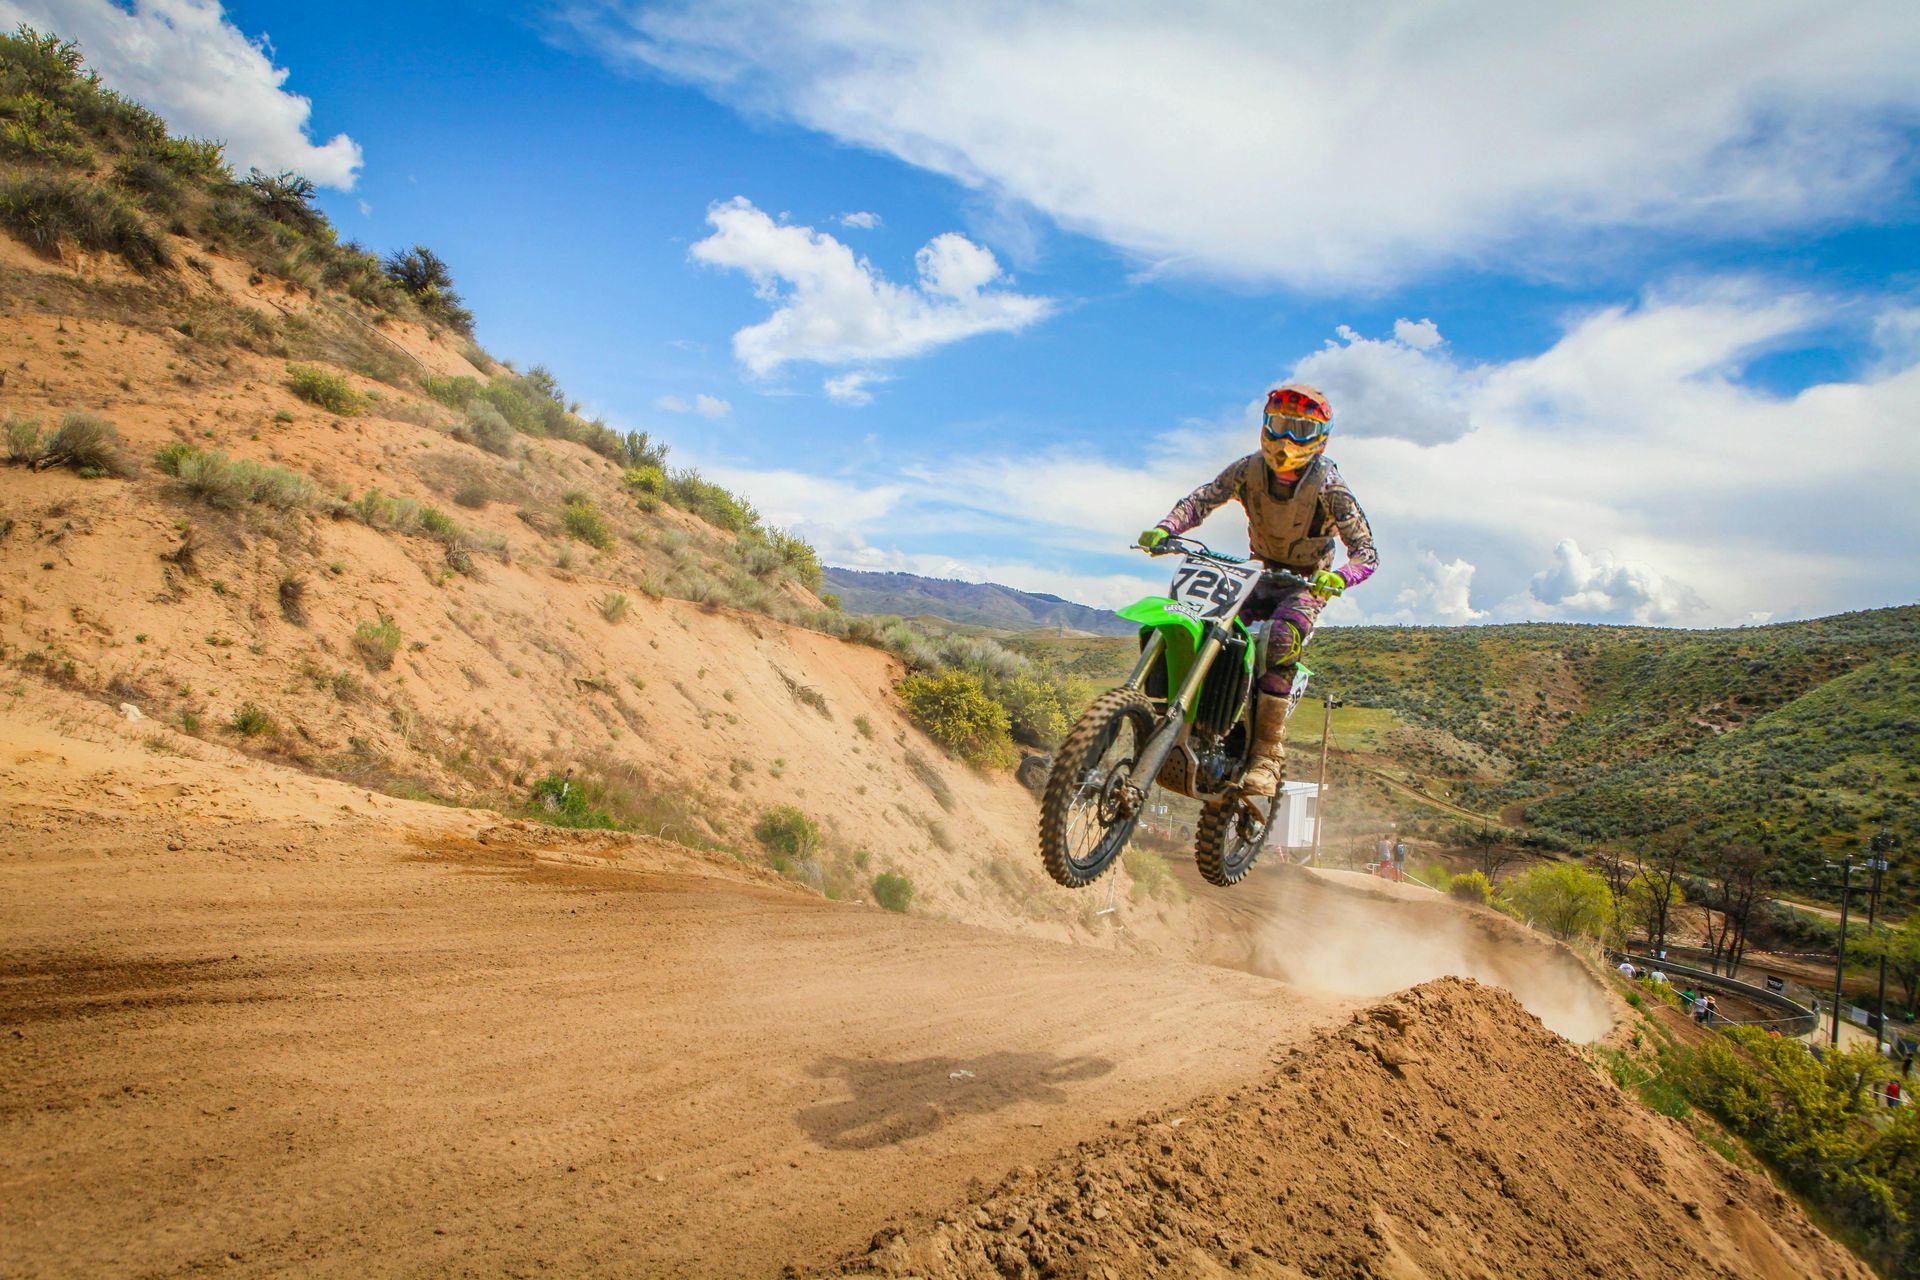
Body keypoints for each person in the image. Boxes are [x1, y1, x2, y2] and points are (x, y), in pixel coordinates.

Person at [1137, 383, 1377, 798]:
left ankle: (1267, 754)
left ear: (1319, 437)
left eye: (1299, 429)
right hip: (1258, 573)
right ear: (1265, 426)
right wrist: (1166, 528)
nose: (1286, 439)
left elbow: (1366, 553)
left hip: (1306, 581)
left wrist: (1340, 577)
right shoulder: (1247, 470)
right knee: (1208, 624)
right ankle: (1192, 722)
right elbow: (1202, 500)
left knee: (1281, 639)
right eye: (1279, 424)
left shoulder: (1329, 487)